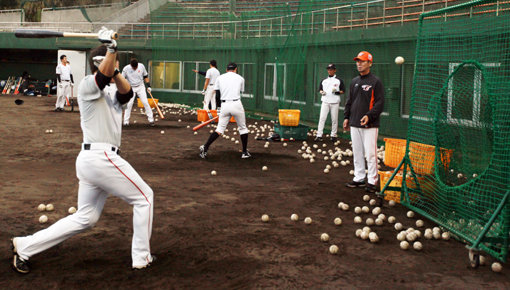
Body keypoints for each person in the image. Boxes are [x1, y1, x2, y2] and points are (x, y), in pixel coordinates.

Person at [10, 27, 155, 274]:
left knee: (86, 217)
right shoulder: (89, 85)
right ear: (99, 64)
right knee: (144, 198)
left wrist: (113, 56)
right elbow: (101, 77)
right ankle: (141, 257)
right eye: (111, 63)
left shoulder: (113, 88)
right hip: (100, 157)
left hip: (94, 160)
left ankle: (25, 245)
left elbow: (127, 93)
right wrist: (110, 51)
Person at [343, 51, 384, 193]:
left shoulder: (375, 82)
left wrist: (369, 116)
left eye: (362, 61)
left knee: (371, 154)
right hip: (354, 122)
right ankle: (359, 177)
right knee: (357, 152)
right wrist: (346, 117)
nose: (359, 64)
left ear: (370, 63)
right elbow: (349, 101)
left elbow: (379, 103)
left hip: (370, 124)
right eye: (357, 61)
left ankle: (372, 181)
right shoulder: (354, 81)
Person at [199, 62, 250, 159]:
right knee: (243, 128)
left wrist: (219, 108)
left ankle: (205, 148)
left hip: (224, 105)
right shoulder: (240, 78)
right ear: (235, 69)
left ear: (227, 70)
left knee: (219, 129)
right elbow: (240, 91)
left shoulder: (220, 78)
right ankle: (244, 152)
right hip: (236, 104)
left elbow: (217, 94)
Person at [315, 64, 345, 142]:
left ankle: (333, 135)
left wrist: (337, 92)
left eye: (331, 69)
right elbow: (320, 89)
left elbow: (343, 90)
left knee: (334, 119)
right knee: (322, 118)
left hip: (335, 102)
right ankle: (319, 135)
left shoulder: (339, 80)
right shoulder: (324, 80)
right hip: (325, 101)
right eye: (328, 69)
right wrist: (322, 92)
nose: (330, 71)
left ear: (335, 70)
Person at [122, 58, 154, 126]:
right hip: (130, 87)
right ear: (131, 65)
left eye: (136, 67)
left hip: (140, 86)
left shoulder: (141, 66)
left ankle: (151, 120)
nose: (135, 68)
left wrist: (149, 86)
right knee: (129, 104)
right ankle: (126, 121)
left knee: (145, 102)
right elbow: (122, 79)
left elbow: (145, 76)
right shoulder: (126, 69)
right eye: (133, 67)